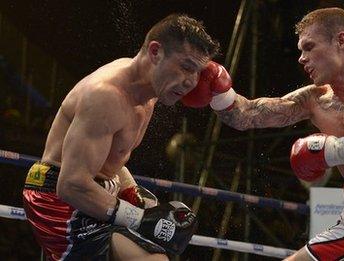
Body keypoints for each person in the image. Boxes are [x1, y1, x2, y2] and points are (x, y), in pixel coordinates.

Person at [181, 7, 344, 261]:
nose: (301, 58)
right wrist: (216, 90)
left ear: (341, 40)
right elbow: (247, 114)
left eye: (309, 47)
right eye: (300, 50)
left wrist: (330, 151)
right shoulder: (316, 100)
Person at [22, 14, 220, 261]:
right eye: (186, 67)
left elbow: (113, 159)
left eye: (198, 73)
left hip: (96, 191)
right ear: (155, 52)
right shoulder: (107, 96)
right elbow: (70, 184)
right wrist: (139, 218)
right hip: (60, 199)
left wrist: (136, 197)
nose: (191, 81)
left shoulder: (149, 93)